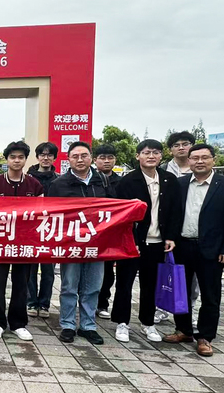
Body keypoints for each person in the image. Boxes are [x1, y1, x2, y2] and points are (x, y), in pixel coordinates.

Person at [162, 144, 224, 357]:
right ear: (189, 161)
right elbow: (172, 214)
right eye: (195, 158)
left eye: (204, 157)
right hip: (182, 246)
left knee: (210, 294)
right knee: (181, 291)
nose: (199, 161)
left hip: (212, 249)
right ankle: (183, 330)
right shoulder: (180, 184)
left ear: (213, 160)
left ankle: (206, 337)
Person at [111, 139, 182, 343]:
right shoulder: (127, 182)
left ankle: (148, 322)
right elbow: (121, 216)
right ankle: (122, 322)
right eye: (146, 152)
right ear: (138, 156)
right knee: (124, 283)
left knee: (151, 284)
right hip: (132, 242)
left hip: (158, 242)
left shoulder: (169, 180)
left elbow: (176, 211)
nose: (151, 156)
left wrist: (171, 237)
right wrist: (131, 240)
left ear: (161, 156)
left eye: (156, 152)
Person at [49, 141, 114, 345]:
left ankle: (88, 326)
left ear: (91, 158)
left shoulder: (102, 181)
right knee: (69, 286)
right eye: (75, 156)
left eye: (84, 155)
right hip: (71, 244)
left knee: (93, 287)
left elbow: (114, 210)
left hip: (97, 243)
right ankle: (68, 325)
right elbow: (50, 214)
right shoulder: (59, 184)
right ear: (68, 160)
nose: (79, 159)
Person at [0, 141, 43, 341]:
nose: (16, 160)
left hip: (24, 243)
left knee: (21, 284)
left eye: (20, 157)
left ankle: (18, 323)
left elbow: (40, 216)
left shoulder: (35, 185)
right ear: (6, 159)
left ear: (26, 160)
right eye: (13, 157)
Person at [157, 131, 199, 325]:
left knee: (191, 277)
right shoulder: (162, 171)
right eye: (176, 145)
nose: (181, 148)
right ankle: (161, 307)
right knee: (163, 270)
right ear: (170, 150)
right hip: (165, 232)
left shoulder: (200, 170)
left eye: (185, 144)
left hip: (193, 232)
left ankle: (189, 310)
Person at [26, 142, 59, 319]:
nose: (46, 158)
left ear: (54, 158)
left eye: (49, 155)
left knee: (48, 271)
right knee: (30, 270)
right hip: (31, 230)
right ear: (37, 157)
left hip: (52, 230)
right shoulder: (27, 179)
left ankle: (45, 304)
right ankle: (31, 302)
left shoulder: (60, 180)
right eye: (42, 154)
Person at [93, 143, 121, 319]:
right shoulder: (90, 180)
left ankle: (102, 303)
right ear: (95, 160)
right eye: (102, 158)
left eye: (110, 157)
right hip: (90, 233)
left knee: (108, 272)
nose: (106, 161)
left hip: (112, 234)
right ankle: (86, 302)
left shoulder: (122, 182)